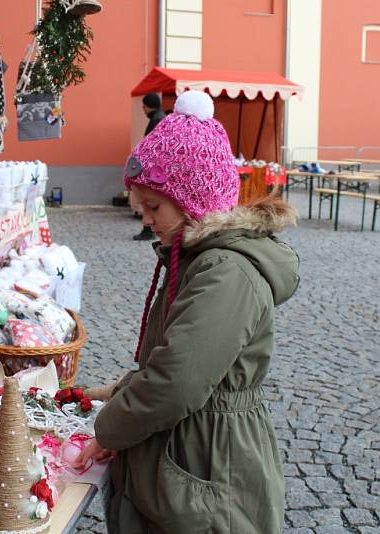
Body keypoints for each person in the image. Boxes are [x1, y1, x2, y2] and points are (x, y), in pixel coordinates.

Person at [74, 91, 300, 533]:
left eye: (154, 206)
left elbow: (178, 379)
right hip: (191, 449)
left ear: (194, 199)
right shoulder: (196, 258)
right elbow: (171, 354)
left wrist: (108, 429)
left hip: (211, 462)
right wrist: (118, 389)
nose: (145, 219)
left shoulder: (225, 271)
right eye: (141, 207)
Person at [133, 93, 167, 240]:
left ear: (147, 106)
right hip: (159, 169)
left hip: (154, 169)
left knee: (149, 201)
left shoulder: (156, 119)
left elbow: (152, 146)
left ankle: (149, 230)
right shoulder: (162, 117)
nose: (142, 108)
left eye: (143, 105)